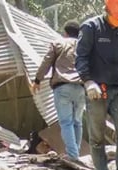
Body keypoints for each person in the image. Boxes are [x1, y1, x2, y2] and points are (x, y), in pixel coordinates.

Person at [76, 0, 118, 170]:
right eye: (117, 17)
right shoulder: (91, 28)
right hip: (97, 89)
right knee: (97, 136)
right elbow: (81, 57)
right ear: (107, 10)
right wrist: (88, 81)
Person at [33, 20, 85, 161]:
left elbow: (46, 62)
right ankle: (76, 153)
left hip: (62, 87)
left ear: (65, 33)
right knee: (77, 122)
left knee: (66, 122)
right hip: (81, 87)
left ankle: (73, 155)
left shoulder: (58, 43)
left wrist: (37, 80)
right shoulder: (84, 46)